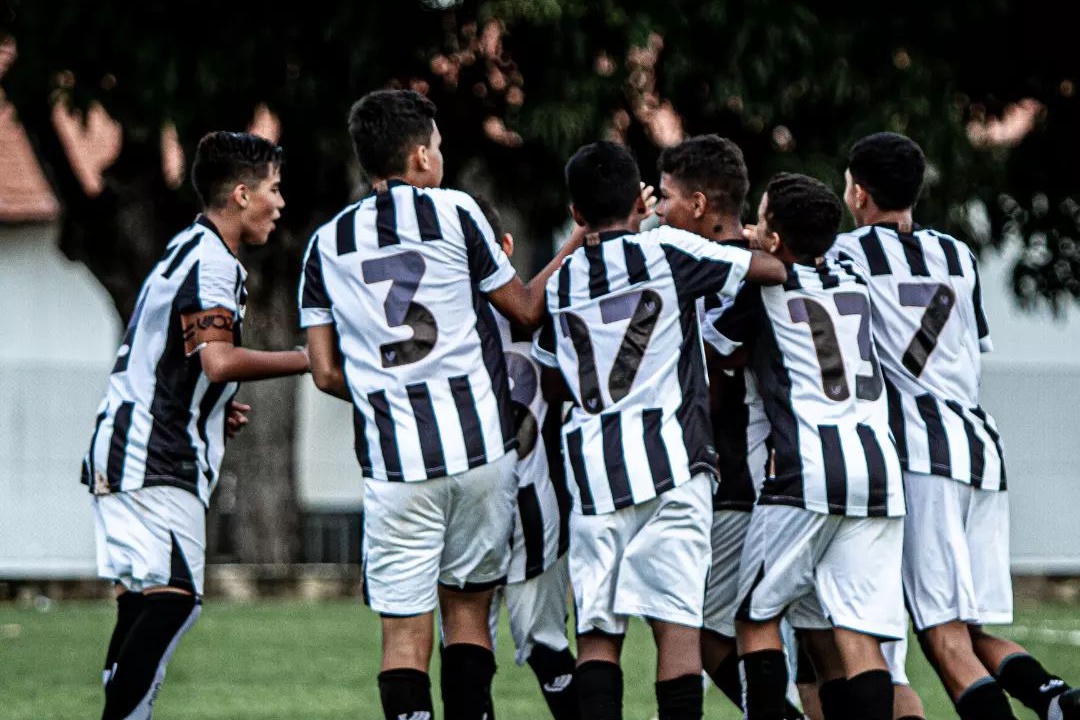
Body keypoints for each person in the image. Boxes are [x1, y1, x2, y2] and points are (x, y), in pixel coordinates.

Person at [297, 89, 580, 720]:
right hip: (480, 452)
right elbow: (524, 310)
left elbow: (324, 371)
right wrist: (577, 240)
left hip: (397, 464)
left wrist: (384, 394)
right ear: (422, 156)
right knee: (468, 614)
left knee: (403, 636)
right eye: (440, 146)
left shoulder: (325, 243)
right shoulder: (456, 211)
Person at [533, 140, 786, 720]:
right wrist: (754, 242)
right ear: (639, 201)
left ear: (575, 213)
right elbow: (769, 270)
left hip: (595, 472)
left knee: (598, 633)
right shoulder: (668, 249)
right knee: (678, 626)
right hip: (672, 463)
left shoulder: (562, 279)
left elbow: (550, 377)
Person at [831, 131, 1080, 720]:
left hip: (921, 455)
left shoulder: (846, 255)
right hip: (980, 451)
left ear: (858, 192)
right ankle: (1056, 698)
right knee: (970, 627)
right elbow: (972, 346)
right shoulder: (957, 254)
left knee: (940, 634)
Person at [81, 131, 310, 720]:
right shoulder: (211, 260)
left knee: (142, 604)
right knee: (174, 601)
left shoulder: (189, 246)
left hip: (129, 446)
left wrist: (208, 404)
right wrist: (308, 358)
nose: (280, 203)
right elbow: (218, 360)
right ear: (241, 195)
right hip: (154, 455)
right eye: (274, 189)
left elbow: (178, 357)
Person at [711, 173, 906, 720]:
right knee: (857, 635)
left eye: (761, 219)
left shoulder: (763, 290)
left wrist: (742, 254)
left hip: (808, 468)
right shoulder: (853, 278)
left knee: (754, 617)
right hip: (877, 467)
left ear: (774, 239)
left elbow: (717, 349)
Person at [655, 134, 805, 720]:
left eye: (666, 196)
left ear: (697, 204)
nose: (658, 209)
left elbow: (719, 375)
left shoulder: (744, 275)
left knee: (694, 625)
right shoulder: (732, 263)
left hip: (738, 473)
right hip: (746, 474)